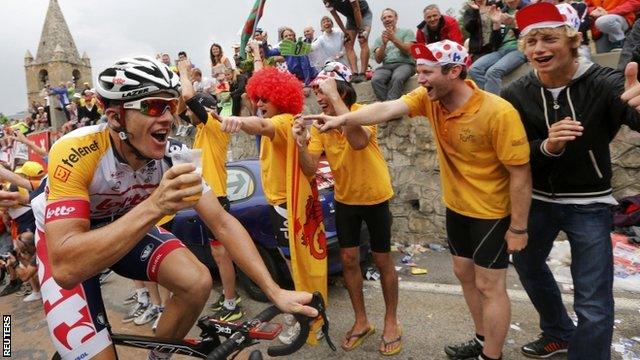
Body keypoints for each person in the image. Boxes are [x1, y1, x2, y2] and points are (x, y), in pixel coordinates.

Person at [31, 56, 318, 360]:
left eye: (172, 106)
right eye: (153, 107)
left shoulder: (175, 155)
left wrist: (274, 291)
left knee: (197, 282)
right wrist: (156, 205)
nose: (168, 117)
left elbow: (221, 222)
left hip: (125, 223)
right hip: (69, 243)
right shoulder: (77, 150)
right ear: (115, 117)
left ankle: (158, 356)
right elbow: (66, 269)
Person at [306, 40, 532, 360]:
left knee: (489, 285)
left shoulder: (497, 111)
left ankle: (491, 355)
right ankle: (482, 339)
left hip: (491, 212)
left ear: (454, 71)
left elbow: (520, 172)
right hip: (457, 208)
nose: (420, 79)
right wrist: (342, 120)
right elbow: (387, 108)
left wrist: (519, 228)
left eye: (426, 72)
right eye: (417, 72)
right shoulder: (429, 99)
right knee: (464, 275)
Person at [500, 3, 640, 359]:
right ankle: (559, 332)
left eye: (549, 38)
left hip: (590, 203)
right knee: (527, 264)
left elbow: (631, 111)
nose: (539, 49)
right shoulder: (516, 94)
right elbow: (511, 153)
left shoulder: (604, 82)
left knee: (592, 298)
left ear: (573, 41)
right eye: (531, 42)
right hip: (538, 200)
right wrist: (547, 145)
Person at [293, 62, 401, 355]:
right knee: (349, 261)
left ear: (341, 88)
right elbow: (309, 169)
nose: (319, 98)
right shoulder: (320, 124)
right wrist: (301, 143)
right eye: (317, 92)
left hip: (376, 196)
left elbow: (358, 141)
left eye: (324, 90)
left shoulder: (364, 111)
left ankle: (391, 322)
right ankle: (362, 322)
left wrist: (336, 102)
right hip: (345, 200)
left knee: (382, 260)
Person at [177, 58, 243, 322]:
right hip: (207, 197)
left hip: (216, 198)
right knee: (217, 254)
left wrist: (183, 72)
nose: (189, 116)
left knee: (220, 253)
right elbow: (183, 106)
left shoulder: (214, 126)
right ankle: (229, 296)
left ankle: (231, 302)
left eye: (195, 111)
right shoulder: (202, 129)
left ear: (203, 110)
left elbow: (188, 96)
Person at [468, 0, 529, 94]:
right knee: (474, 69)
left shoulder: (528, 8)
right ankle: (487, 99)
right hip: (501, 50)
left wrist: (514, 25)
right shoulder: (500, 11)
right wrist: (496, 25)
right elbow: (494, 43)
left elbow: (531, 36)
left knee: (493, 72)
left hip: (519, 49)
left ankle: (494, 106)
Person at [372, 8, 416, 101]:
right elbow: (378, 60)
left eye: (390, 16)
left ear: (396, 18)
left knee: (397, 78)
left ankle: (389, 110)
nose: (387, 19)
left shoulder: (407, 32)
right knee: (376, 80)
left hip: (405, 64)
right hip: (386, 66)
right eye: (384, 18)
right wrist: (383, 44)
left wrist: (393, 39)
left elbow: (409, 51)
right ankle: (391, 110)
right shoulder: (379, 39)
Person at [324, 0, 373, 83]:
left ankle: (363, 74)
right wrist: (344, 31)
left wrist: (361, 29)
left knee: (362, 40)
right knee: (347, 43)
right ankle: (354, 73)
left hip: (363, 13)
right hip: (351, 17)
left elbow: (356, 9)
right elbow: (336, 16)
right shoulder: (326, 1)